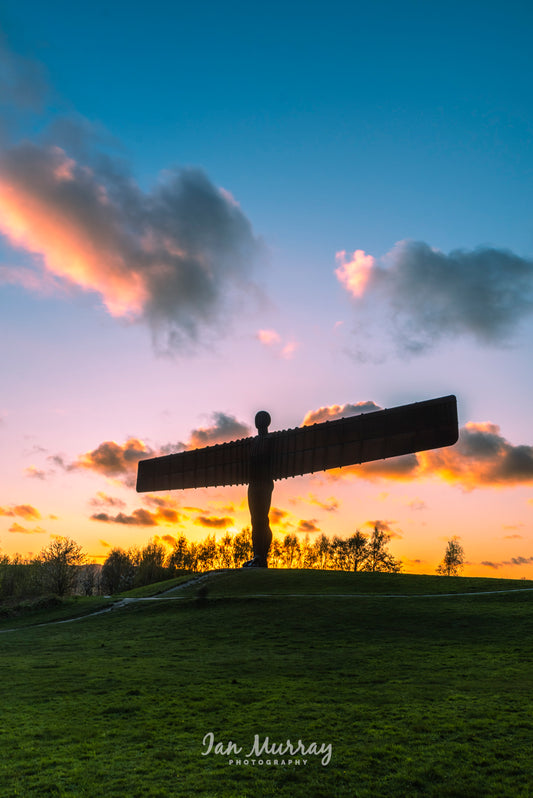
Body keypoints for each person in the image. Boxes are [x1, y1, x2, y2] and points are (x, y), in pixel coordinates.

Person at [243, 411, 273, 568]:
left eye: (261, 419)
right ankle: (257, 556)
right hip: (253, 484)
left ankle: (262, 556)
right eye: (257, 419)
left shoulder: (272, 440)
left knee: (262, 519)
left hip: (264, 483)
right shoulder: (253, 442)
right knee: (255, 520)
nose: (258, 422)